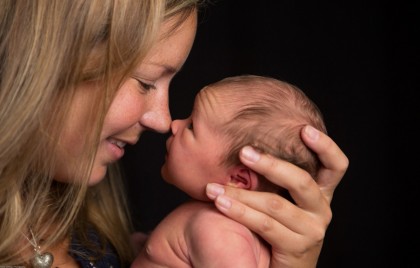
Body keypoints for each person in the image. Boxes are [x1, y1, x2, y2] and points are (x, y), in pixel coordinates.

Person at [0, 1, 348, 267]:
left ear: (241, 178)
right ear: (50, 63)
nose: (164, 120)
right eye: (146, 82)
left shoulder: (92, 237)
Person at [131, 74, 328, 267]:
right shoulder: (219, 227)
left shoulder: (217, 233)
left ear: (238, 179)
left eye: (191, 126)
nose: (174, 125)